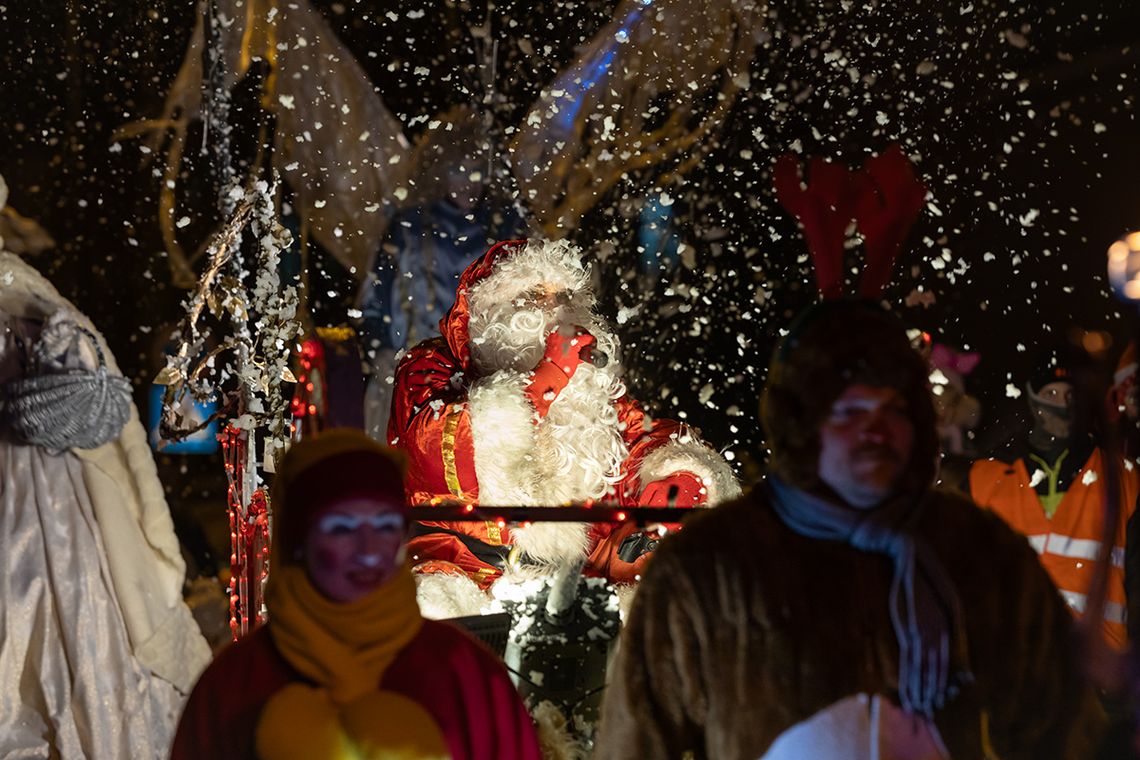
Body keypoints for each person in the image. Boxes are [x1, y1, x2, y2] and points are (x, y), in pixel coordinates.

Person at [596, 301, 1104, 759]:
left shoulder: (973, 551)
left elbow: (1066, 726)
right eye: (852, 409)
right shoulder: (712, 565)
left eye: (895, 408)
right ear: (802, 420)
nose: (876, 429)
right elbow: (638, 743)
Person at [387, 238, 739, 618]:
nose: (556, 309)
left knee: (678, 586)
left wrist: (680, 475)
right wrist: (547, 379)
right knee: (433, 614)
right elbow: (434, 452)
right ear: (488, 309)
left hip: (582, 565)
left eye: (566, 295)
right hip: (472, 570)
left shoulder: (589, 382)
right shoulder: (432, 364)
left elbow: (639, 434)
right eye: (536, 296)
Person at [170, 428, 542, 759]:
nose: (367, 550)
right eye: (342, 528)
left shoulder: (464, 675)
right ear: (300, 540)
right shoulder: (236, 686)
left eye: (384, 525)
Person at [0, 249, 210, 757]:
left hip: (51, 489)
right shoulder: (34, 302)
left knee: (66, 612)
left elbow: (89, 403)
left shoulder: (34, 302)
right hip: (47, 489)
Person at [358, 105, 523, 440]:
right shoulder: (408, 226)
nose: (469, 183)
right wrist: (381, 349)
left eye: (477, 171)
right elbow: (374, 300)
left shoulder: (502, 226)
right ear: (440, 172)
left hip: (481, 372)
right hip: (414, 369)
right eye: (459, 171)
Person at [969, 348, 1138, 650]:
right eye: (1051, 393)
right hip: (1016, 663)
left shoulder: (1125, 478)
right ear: (1033, 401)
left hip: (1096, 668)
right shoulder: (986, 478)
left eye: (1070, 395)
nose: (1061, 404)